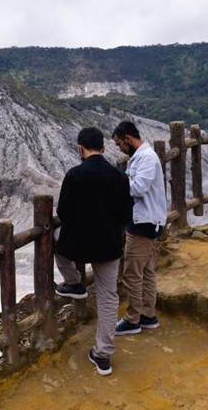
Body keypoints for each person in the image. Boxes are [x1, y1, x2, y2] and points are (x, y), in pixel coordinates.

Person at [54, 127, 132, 376]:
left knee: (56, 245)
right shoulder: (118, 176)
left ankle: (74, 283)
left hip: (78, 245)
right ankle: (103, 355)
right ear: (104, 148)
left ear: (80, 148)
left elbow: (64, 213)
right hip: (109, 245)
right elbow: (125, 214)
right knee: (109, 297)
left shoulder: (74, 175)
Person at [111, 121, 167, 335]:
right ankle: (148, 315)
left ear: (127, 138)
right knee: (146, 271)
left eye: (120, 144)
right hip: (147, 221)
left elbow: (138, 187)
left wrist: (116, 184)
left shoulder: (146, 158)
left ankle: (133, 319)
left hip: (143, 223)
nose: (120, 149)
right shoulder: (143, 157)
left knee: (132, 274)